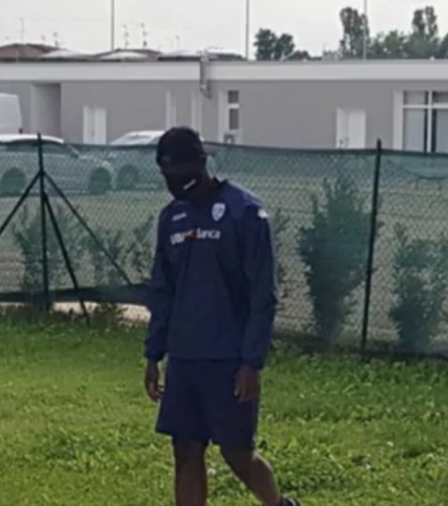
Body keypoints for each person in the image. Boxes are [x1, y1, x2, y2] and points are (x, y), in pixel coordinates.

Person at [143, 126, 299, 506]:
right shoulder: (171, 218)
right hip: (184, 357)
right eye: (166, 173)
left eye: (179, 170)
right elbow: (163, 291)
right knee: (185, 449)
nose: (173, 180)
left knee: (236, 452)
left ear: (201, 163)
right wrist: (153, 355)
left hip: (229, 358)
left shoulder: (245, 212)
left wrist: (251, 362)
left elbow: (263, 295)